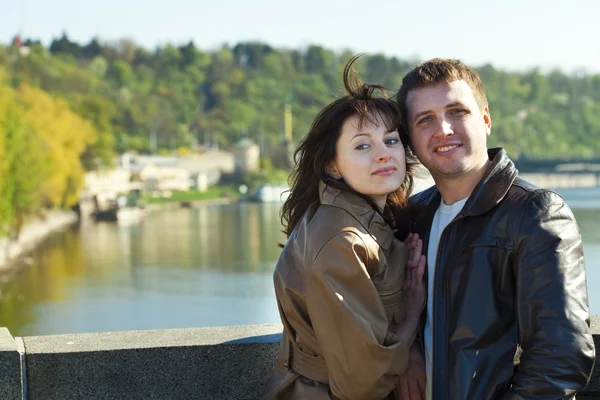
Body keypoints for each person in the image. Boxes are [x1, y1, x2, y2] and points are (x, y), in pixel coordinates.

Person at [393, 58, 596, 400]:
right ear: (411, 140)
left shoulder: (536, 213)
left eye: (457, 111)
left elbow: (560, 356)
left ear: (485, 119)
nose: (443, 129)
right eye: (425, 119)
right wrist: (409, 350)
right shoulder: (411, 215)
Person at [261, 56, 426, 400]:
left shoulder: (362, 216)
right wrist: (411, 319)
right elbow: (361, 382)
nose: (383, 154)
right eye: (363, 145)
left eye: (391, 140)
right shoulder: (342, 239)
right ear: (332, 166)